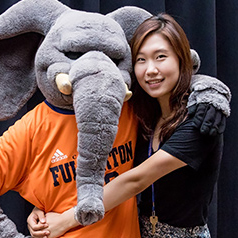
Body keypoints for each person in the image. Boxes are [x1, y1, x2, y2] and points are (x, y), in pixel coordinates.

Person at [27, 13, 224, 238]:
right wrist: (47, 204)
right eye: (141, 59)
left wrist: (64, 220)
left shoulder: (203, 116)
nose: (150, 70)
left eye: (160, 57)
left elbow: (135, 180)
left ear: (182, 59)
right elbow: (106, 165)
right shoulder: (140, 112)